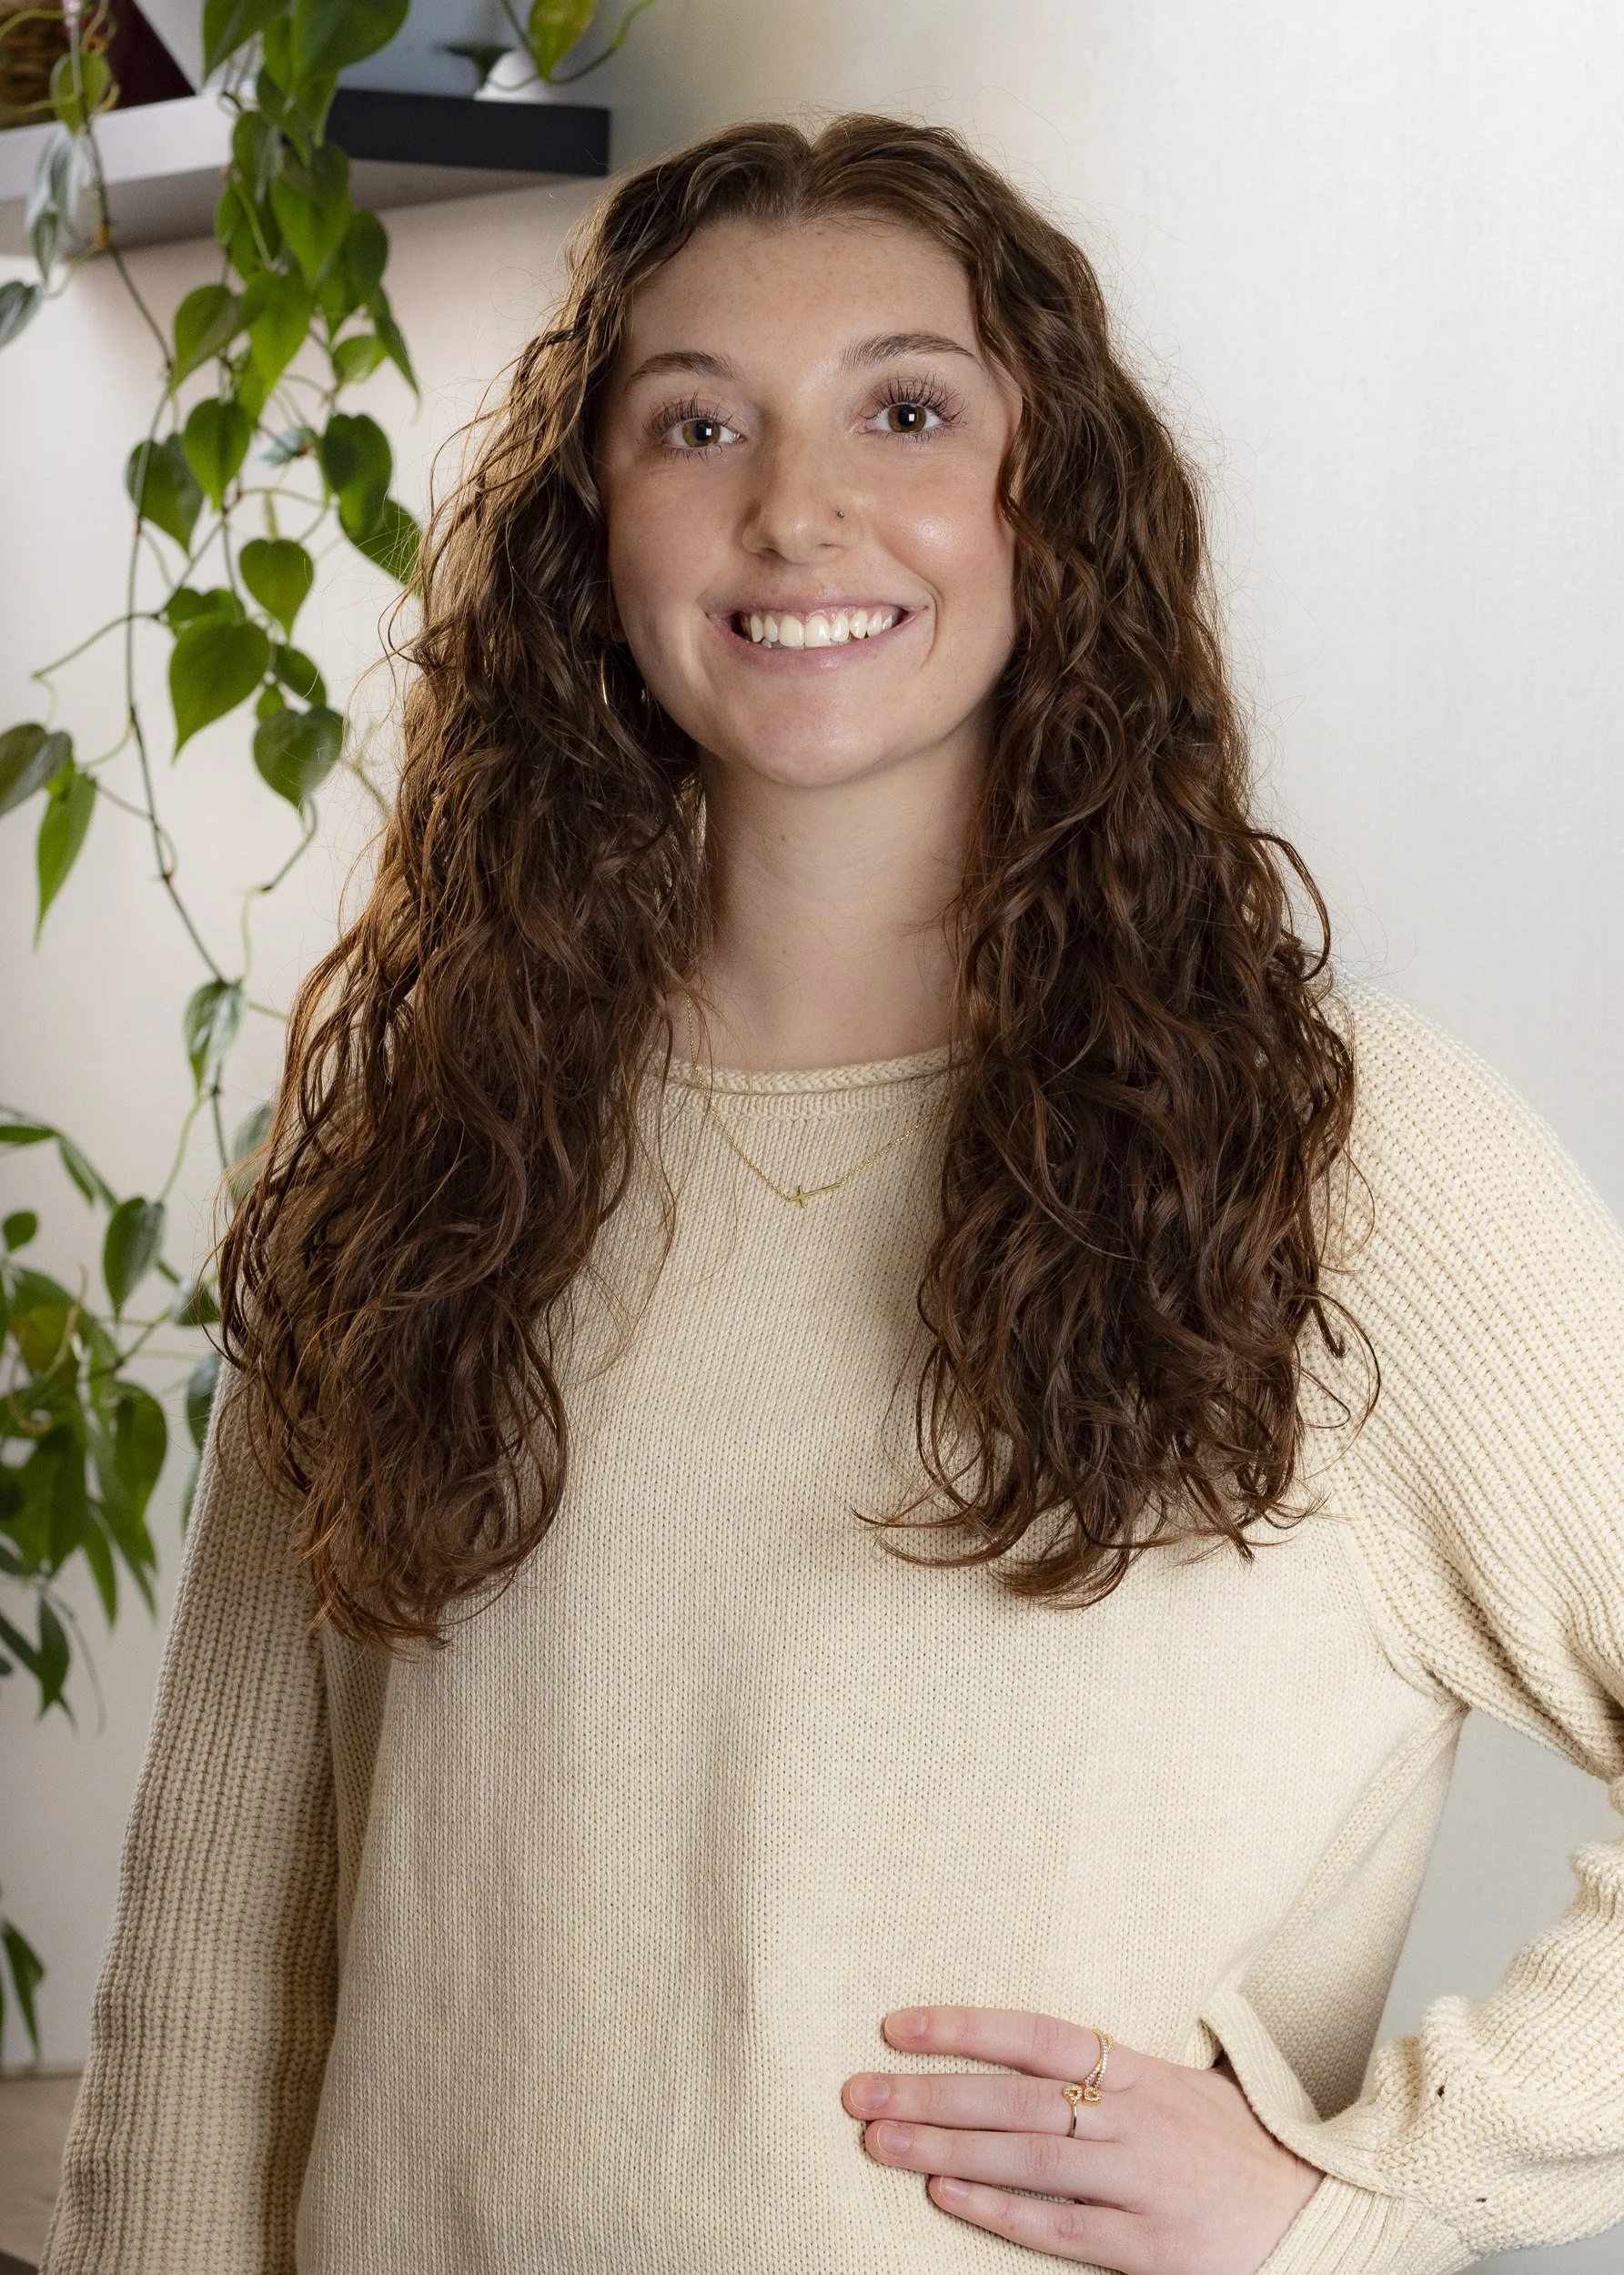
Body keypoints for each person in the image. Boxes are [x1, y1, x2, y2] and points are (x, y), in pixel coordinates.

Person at [42, 116, 1624, 2275]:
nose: (794, 508)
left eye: (905, 407)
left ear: (1047, 491)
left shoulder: (1339, 1163)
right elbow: (227, 1959)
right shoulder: (416, 1154)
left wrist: (1366, 2194)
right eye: (695, 422)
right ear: (589, 521)